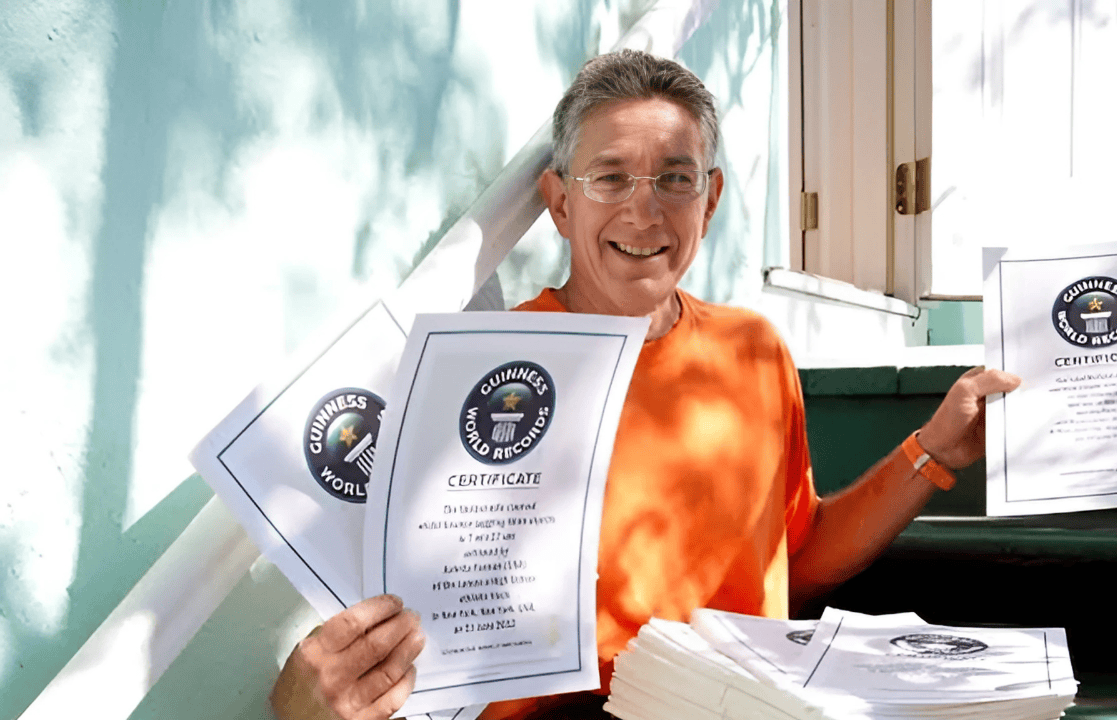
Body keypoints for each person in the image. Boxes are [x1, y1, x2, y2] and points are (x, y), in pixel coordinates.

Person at [269, 49, 1020, 720]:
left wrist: (934, 453)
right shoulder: (480, 368)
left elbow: (797, 558)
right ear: (561, 203)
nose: (645, 208)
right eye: (611, 178)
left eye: (674, 178)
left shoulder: (754, 350)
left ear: (711, 199)